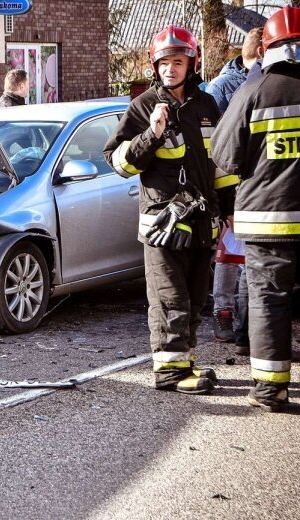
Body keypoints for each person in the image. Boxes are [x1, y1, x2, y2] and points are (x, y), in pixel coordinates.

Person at [103, 25, 235, 395]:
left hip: (201, 222)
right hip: (163, 225)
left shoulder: (207, 106)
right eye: (164, 63)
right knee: (169, 299)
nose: (170, 69)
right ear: (154, 66)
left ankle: (185, 363)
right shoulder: (143, 107)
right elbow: (119, 164)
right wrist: (151, 133)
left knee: (194, 298)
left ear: (191, 63)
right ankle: (169, 373)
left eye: (178, 62)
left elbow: (220, 165)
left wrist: (229, 209)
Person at [211, 6, 300, 412]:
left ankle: (270, 390)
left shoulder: (253, 90)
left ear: (268, 47)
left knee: (269, 300)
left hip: (268, 222)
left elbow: (226, 157)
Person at [205, 27, 264, 344]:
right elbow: (215, 144)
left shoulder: (260, 78)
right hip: (236, 183)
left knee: (246, 255)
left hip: (256, 181)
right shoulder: (223, 87)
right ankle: (224, 314)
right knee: (229, 254)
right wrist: (225, 199)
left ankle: (244, 321)